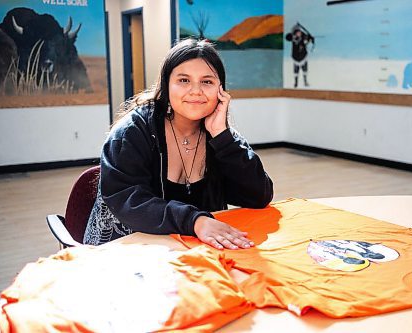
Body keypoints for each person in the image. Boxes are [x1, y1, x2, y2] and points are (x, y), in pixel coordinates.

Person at [83, 38, 273, 250]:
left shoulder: (220, 134)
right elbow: (128, 201)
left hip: (193, 252)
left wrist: (223, 137)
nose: (195, 91)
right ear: (166, 84)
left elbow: (259, 196)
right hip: (121, 253)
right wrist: (195, 221)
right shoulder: (131, 132)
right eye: (184, 80)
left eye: (207, 81)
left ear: (221, 90)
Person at [285, 22, 315, 88]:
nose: (299, 33)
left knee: (305, 70)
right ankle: (296, 83)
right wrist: (293, 35)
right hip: (295, 57)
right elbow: (287, 37)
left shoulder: (304, 37)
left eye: (300, 32)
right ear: (295, 32)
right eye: (298, 32)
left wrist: (311, 39)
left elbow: (307, 40)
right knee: (296, 71)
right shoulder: (293, 38)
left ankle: (305, 82)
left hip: (303, 56)